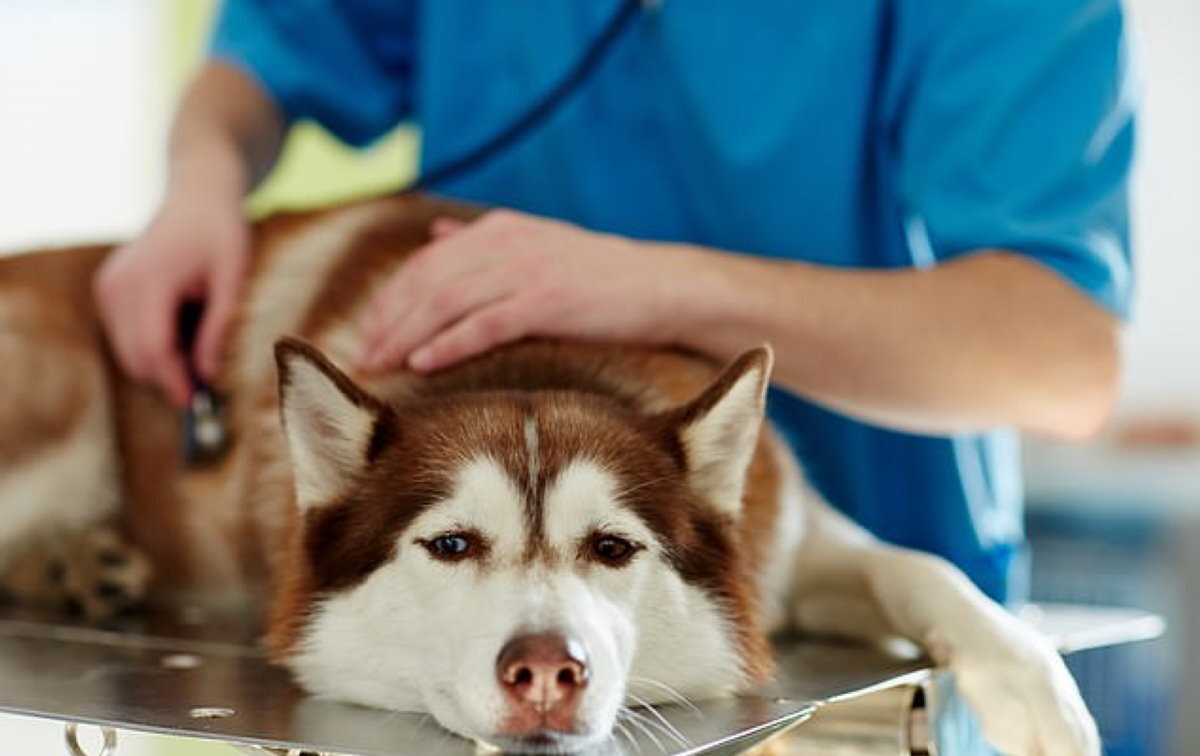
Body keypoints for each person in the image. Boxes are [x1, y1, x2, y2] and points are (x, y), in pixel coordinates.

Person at [94, 0, 1135, 605]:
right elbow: (272, 52)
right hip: (488, 628)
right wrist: (197, 183)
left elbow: (1061, 354)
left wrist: (655, 287)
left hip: (838, 625)